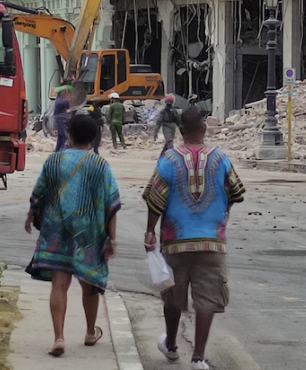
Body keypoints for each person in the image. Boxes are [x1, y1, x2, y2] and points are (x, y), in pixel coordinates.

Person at [142, 107, 245, 370]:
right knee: (207, 298)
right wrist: (224, 214)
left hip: (176, 242)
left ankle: (171, 345)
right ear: (204, 129)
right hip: (212, 241)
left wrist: (150, 231)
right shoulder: (220, 158)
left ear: (181, 131)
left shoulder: (169, 159)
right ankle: (198, 357)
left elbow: (155, 199)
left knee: (172, 295)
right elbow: (235, 192)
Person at [25, 113, 121, 357]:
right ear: (93, 137)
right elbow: (111, 205)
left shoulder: (54, 160)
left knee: (59, 285)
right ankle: (90, 332)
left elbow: (38, 193)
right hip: (88, 235)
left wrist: (30, 215)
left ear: (69, 134)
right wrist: (112, 239)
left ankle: (59, 337)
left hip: (56, 232)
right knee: (89, 285)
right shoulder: (100, 165)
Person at [52, 85, 72, 152]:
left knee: (60, 137)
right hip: (61, 120)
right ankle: (63, 150)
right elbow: (69, 102)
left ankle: (57, 151)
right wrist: (67, 93)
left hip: (59, 120)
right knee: (65, 137)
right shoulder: (61, 101)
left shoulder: (58, 100)